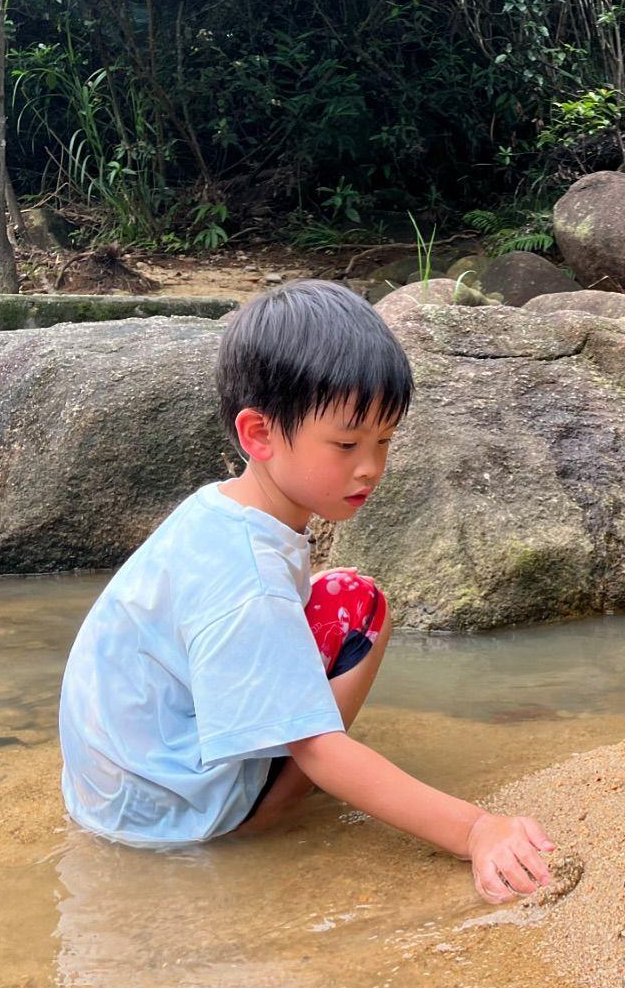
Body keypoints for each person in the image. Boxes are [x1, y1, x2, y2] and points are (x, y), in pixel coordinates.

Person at [58, 279, 554, 903]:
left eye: (384, 440)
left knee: (345, 594)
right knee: (359, 610)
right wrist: (478, 829)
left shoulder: (219, 514)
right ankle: (268, 817)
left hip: (116, 796)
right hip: (176, 819)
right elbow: (319, 749)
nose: (370, 466)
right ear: (259, 435)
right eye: (346, 444)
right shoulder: (248, 579)